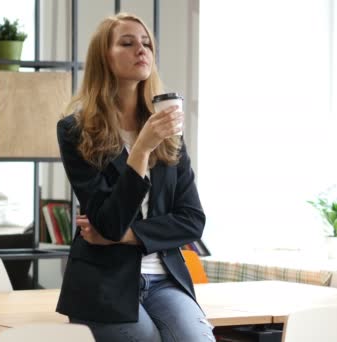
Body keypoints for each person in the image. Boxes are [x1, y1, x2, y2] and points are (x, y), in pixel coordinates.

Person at [55, 13, 213, 342]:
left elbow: (192, 220)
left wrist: (127, 236)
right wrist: (140, 150)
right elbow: (109, 221)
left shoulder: (168, 132)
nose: (141, 50)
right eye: (127, 43)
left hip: (165, 279)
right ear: (104, 58)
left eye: (146, 44)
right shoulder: (76, 131)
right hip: (103, 284)